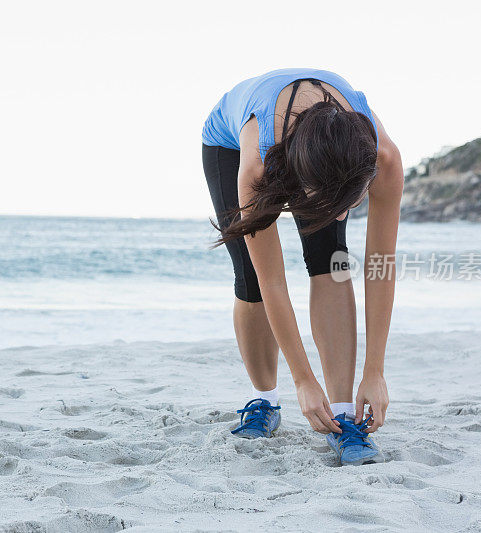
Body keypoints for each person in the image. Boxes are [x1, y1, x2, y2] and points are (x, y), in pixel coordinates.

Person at [201, 68, 403, 466]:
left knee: (333, 261)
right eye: (335, 203)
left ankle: (343, 415)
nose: (344, 211)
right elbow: (272, 280)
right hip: (229, 144)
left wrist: (375, 370)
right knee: (251, 279)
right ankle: (266, 400)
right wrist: (303, 381)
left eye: (352, 202)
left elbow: (380, 263)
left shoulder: (384, 157)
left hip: (326, 151)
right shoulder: (257, 165)